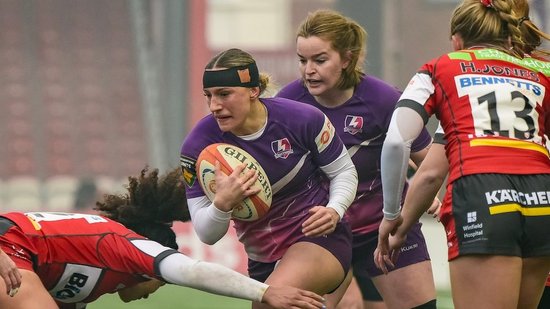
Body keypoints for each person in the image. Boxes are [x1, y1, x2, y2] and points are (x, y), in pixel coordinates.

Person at [374, 0, 550, 308]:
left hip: (482, 192)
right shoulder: (540, 70)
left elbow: (396, 142)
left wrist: (392, 216)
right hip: (542, 195)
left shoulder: (443, 67)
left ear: (457, 40)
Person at [276, 9, 437, 309]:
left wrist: (427, 192)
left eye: (319, 60)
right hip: (322, 233)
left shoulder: (383, 100)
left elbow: (429, 159)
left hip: (384, 228)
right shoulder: (287, 105)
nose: (308, 70)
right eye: (302, 60)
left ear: (347, 59)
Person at [179, 47, 358, 309]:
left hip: (318, 240)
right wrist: (222, 203)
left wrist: (335, 209)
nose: (215, 106)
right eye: (209, 96)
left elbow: (344, 171)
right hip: (262, 260)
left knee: (267, 305)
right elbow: (207, 234)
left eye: (224, 94)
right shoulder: (198, 146)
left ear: (253, 91)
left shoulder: (302, 119)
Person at [0, 167, 327, 309]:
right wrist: (267, 291)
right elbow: (195, 271)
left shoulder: (83, 283)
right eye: (160, 282)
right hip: (8, 248)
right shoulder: (124, 245)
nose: (150, 294)